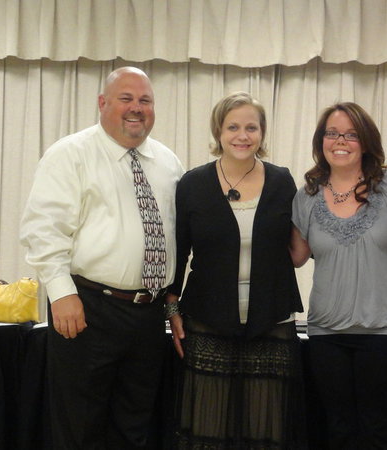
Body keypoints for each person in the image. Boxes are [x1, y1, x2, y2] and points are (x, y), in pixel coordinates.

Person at [20, 66, 185, 449]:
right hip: (87, 308)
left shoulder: (168, 163)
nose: (136, 108)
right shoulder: (70, 154)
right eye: (126, 98)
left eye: (145, 100)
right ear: (102, 103)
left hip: (148, 316)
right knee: (79, 428)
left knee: (134, 427)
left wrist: (171, 303)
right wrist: (61, 292)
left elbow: (176, 239)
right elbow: (43, 228)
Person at [166, 91, 306, 449]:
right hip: (207, 319)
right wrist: (171, 307)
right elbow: (179, 252)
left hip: (271, 320)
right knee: (208, 428)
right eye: (232, 127)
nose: (242, 136)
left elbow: (297, 249)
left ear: (262, 133)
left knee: (266, 429)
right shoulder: (193, 184)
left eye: (251, 128)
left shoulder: (282, 181)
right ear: (218, 131)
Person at [290, 102, 387, 449]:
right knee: (339, 431)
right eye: (332, 133)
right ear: (321, 140)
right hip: (326, 334)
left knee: (381, 433)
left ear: (366, 141)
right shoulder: (305, 196)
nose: (340, 141)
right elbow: (295, 258)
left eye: (351, 134)